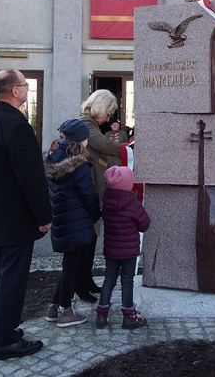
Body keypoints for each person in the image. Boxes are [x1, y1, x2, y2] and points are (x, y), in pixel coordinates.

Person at [0, 69, 51, 361]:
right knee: (12, 279)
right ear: (15, 91)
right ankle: (5, 341)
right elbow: (30, 177)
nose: (27, 91)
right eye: (25, 86)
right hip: (15, 217)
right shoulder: (16, 126)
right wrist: (43, 215)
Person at [75, 89, 132, 301]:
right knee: (85, 241)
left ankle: (86, 280)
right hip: (87, 189)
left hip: (92, 188)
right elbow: (102, 145)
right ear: (99, 107)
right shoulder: (86, 124)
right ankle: (79, 284)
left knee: (91, 239)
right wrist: (127, 150)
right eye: (108, 113)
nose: (109, 119)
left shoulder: (90, 124)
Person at [44, 119, 101, 327]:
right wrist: (96, 214)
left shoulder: (53, 158)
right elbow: (88, 193)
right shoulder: (78, 164)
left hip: (62, 218)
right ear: (80, 140)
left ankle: (54, 305)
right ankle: (64, 310)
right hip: (76, 220)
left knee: (71, 262)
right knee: (71, 265)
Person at [96, 165, 150, 330]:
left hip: (111, 249)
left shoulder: (107, 200)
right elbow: (145, 224)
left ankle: (101, 315)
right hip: (128, 251)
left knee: (109, 279)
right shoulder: (132, 203)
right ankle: (128, 317)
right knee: (127, 281)